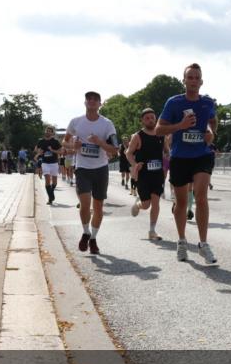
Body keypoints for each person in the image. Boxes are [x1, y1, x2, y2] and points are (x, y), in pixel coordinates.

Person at [157, 63, 218, 264]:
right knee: (182, 202)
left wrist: (211, 132)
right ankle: (182, 241)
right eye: (190, 77)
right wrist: (180, 126)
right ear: (183, 81)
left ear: (201, 81)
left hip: (202, 155)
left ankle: (203, 244)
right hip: (180, 157)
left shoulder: (207, 102)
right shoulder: (174, 102)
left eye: (196, 77)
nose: (193, 81)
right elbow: (159, 129)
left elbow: (212, 121)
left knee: (201, 197)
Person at [64, 91, 119, 255]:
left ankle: (93, 238)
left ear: (100, 104)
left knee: (98, 207)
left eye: (95, 99)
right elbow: (64, 142)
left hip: (101, 169)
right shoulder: (76, 122)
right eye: (89, 99)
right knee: (85, 204)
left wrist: (100, 142)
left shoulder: (107, 124)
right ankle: (86, 232)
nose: (92, 101)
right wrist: (73, 145)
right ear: (85, 102)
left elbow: (115, 149)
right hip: (82, 168)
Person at [126, 108, 167, 240]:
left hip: (157, 175)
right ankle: (139, 205)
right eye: (147, 118)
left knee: (156, 202)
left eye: (152, 117)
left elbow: (167, 151)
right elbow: (128, 153)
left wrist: (168, 161)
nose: (150, 120)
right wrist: (134, 164)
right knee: (146, 205)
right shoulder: (137, 136)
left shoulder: (161, 135)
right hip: (143, 175)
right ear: (142, 121)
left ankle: (152, 231)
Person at [35, 126, 63, 205]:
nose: (47, 132)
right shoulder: (41, 141)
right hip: (45, 163)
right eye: (46, 131)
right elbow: (36, 149)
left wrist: (52, 150)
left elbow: (61, 152)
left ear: (52, 133)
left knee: (54, 182)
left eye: (49, 131)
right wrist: (39, 152)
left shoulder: (55, 141)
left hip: (54, 163)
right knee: (47, 179)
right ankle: (50, 198)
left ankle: (51, 193)